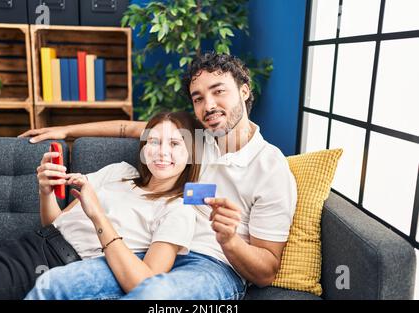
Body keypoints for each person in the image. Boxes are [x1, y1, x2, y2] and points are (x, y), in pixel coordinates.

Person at [21, 52, 297, 300]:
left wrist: (230, 240)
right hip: (151, 247)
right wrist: (66, 131)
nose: (208, 106)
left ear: (244, 91)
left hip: (211, 263)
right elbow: (125, 128)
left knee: (151, 296)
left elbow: (266, 271)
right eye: (198, 98)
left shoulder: (270, 168)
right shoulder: (197, 140)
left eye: (218, 91)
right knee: (53, 284)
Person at [0, 111, 202, 300]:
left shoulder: (177, 209)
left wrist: (98, 215)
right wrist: (45, 191)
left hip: (54, 267)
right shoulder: (120, 172)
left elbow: (146, 284)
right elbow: (55, 223)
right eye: (154, 141)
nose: (162, 152)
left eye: (174, 144)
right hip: (27, 244)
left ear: (191, 153)